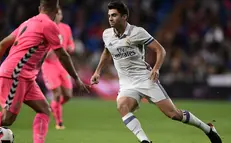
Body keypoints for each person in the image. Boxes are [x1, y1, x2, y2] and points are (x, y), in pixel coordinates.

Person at [90, 1, 222, 143]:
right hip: (127, 83)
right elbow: (107, 51)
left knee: (174, 114)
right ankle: (145, 141)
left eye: (114, 15)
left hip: (146, 79)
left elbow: (160, 50)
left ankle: (208, 129)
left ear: (124, 17)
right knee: (122, 107)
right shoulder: (107, 34)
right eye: (109, 15)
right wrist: (98, 71)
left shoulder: (137, 32)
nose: (110, 18)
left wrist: (156, 68)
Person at [0, 0, 88, 143]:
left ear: (39, 8)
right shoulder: (49, 25)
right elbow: (62, 55)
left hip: (26, 76)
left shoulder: (28, 23)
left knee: (44, 110)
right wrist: (76, 78)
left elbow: (3, 43)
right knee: (6, 119)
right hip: (16, 73)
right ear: (56, 10)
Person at [41, 8, 75, 130]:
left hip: (63, 65)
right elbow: (41, 47)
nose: (58, 15)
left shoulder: (66, 28)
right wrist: (47, 53)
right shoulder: (46, 28)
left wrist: (71, 47)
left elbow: (71, 43)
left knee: (68, 95)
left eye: (60, 13)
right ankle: (59, 123)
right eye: (55, 13)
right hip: (49, 65)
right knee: (57, 93)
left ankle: (53, 107)